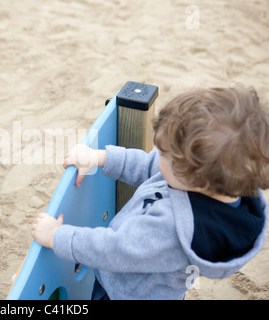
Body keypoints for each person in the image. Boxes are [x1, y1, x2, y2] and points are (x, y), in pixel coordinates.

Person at [32, 87, 269, 299]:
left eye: (165, 152)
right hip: (125, 280)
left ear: (196, 180)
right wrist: (98, 158)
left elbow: (113, 250)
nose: (158, 154)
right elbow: (148, 165)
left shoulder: (170, 230)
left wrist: (57, 236)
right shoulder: (210, 181)